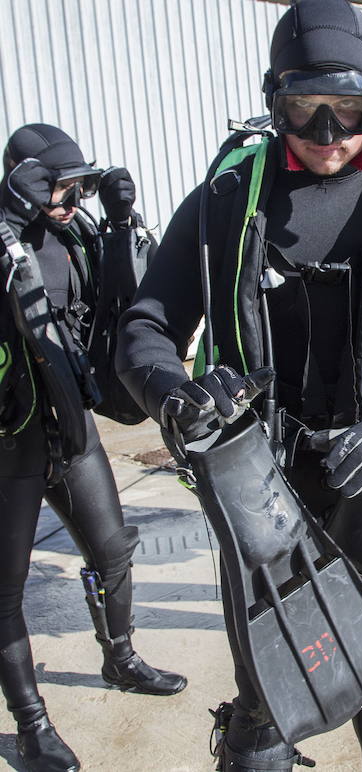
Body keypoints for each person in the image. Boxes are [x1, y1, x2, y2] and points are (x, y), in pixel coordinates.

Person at [116, 0, 362, 772]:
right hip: (259, 479)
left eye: (349, 110)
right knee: (271, 676)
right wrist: (170, 391)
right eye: (305, 110)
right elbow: (144, 329)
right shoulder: (226, 203)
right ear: (275, 102)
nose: (328, 136)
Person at [0, 124, 187, 772]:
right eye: (61, 184)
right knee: (6, 592)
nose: (70, 196)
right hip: (11, 443)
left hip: (73, 430)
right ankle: (32, 727)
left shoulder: (72, 235)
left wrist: (118, 224)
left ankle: (121, 658)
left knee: (113, 552)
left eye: (79, 184)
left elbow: (114, 308)